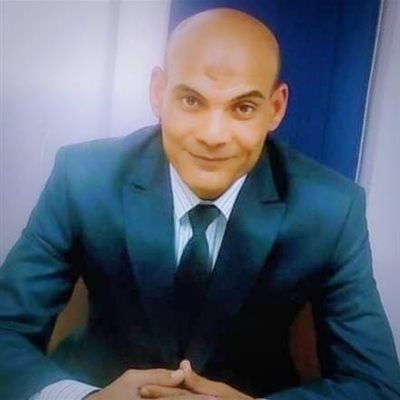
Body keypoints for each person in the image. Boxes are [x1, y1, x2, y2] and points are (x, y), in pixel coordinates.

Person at [0, 7, 399, 400]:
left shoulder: (331, 210)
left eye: (243, 107)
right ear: (159, 93)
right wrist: (89, 399)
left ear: (275, 108)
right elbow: (6, 331)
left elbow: (375, 384)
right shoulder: (84, 178)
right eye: (191, 100)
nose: (213, 135)